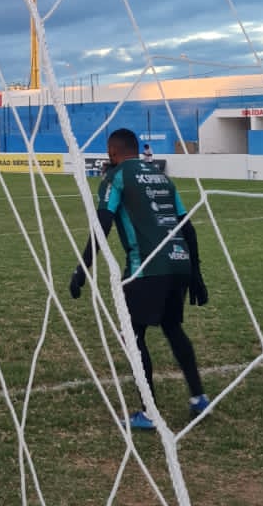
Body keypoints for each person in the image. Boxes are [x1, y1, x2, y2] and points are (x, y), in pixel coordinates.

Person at [68, 127, 209, 432]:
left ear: (112, 152)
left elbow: (102, 225)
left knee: (132, 334)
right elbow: (188, 227)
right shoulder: (162, 178)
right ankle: (199, 397)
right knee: (173, 328)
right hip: (179, 263)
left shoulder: (116, 177)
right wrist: (196, 274)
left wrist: (81, 270)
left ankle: (149, 413)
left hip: (147, 266)